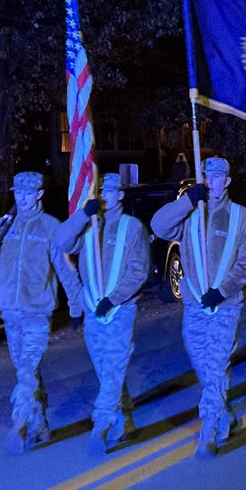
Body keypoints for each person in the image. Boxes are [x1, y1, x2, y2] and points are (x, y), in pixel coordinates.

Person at [0, 171, 84, 455]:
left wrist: (77, 305)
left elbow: (66, 270)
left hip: (36, 312)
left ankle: (19, 420)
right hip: (10, 312)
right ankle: (40, 422)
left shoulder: (50, 227)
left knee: (28, 367)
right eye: (18, 193)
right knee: (24, 368)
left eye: (28, 193)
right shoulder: (5, 227)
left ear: (39, 194)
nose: (22, 198)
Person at [151, 156, 246, 457]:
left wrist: (223, 290)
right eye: (207, 176)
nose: (212, 181)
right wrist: (186, 202)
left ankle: (208, 429)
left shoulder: (241, 217)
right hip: (195, 305)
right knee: (202, 362)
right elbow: (158, 226)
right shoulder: (190, 213)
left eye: (218, 177)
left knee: (215, 364)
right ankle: (224, 413)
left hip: (225, 306)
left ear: (227, 181)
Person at [56, 172, 150, 450]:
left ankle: (103, 423)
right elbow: (62, 241)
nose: (105, 196)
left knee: (113, 366)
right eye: (101, 191)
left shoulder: (132, 227)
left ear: (120, 195)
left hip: (120, 309)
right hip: (93, 311)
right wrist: (83, 215)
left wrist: (115, 298)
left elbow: (139, 270)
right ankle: (125, 420)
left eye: (110, 191)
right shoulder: (89, 225)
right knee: (105, 369)